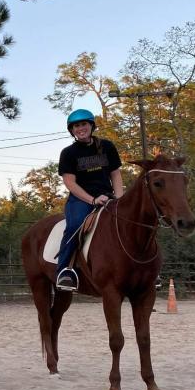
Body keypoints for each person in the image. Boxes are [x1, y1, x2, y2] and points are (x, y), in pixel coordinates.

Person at [55, 108, 123, 291]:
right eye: (76, 126)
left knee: (132, 220)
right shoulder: (68, 153)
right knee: (75, 225)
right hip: (81, 200)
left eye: (84, 124)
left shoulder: (107, 147)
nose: (80, 128)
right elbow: (70, 183)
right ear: (72, 130)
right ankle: (65, 271)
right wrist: (92, 200)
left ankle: (147, 271)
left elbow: (115, 174)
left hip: (108, 196)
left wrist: (119, 199)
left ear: (91, 126)